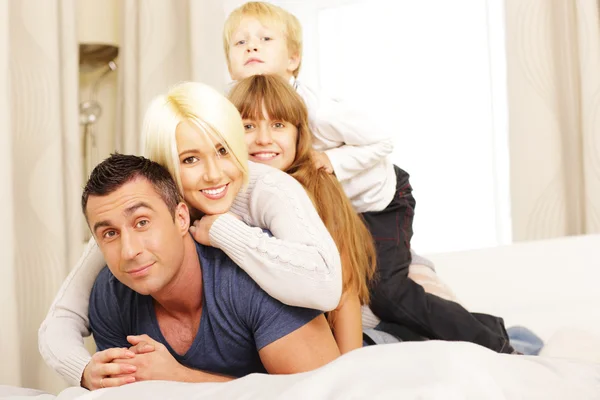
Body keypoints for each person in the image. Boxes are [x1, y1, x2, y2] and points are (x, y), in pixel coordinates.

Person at [39, 81, 343, 389]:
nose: (213, 173)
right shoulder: (122, 236)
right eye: (190, 159)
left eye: (223, 150)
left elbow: (331, 289)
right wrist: (83, 371)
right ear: (168, 168)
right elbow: (62, 317)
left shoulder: (267, 189)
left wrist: (227, 231)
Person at [226, 73, 517, 353]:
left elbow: (346, 292)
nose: (263, 138)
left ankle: (495, 341)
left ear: (300, 133)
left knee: (396, 303)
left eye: (278, 125)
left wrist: (348, 366)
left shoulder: (317, 185)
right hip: (338, 294)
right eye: (248, 126)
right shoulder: (225, 188)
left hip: (377, 268)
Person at [83, 153, 340, 389]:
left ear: (181, 218)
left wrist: (180, 378)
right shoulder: (111, 295)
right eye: (110, 233)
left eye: (142, 222)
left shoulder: (251, 275)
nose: (129, 251)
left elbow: (328, 392)